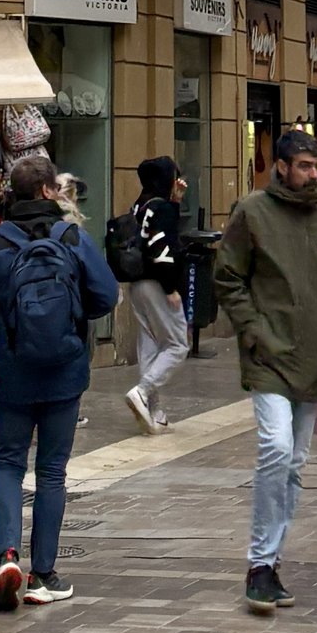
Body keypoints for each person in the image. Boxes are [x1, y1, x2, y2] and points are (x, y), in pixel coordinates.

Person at [215, 126, 317, 613]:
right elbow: (228, 276)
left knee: (297, 463)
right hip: (268, 356)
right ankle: (259, 563)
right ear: (280, 166)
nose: (312, 174)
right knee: (275, 448)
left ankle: (273, 561)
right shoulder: (252, 212)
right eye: (303, 165)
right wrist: (253, 330)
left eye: (316, 166)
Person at [0, 150, 119, 609]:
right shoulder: (71, 236)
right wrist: (71, 319)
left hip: (14, 371)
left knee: (9, 464)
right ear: (50, 191)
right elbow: (106, 294)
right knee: (52, 471)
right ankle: (44, 574)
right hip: (65, 371)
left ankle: (7, 555)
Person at [123, 154, 190, 435]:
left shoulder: (140, 205)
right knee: (177, 345)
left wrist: (175, 200)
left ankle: (155, 411)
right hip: (158, 283)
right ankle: (143, 391)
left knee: (150, 345)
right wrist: (171, 287)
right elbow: (163, 247)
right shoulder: (162, 208)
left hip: (136, 283)